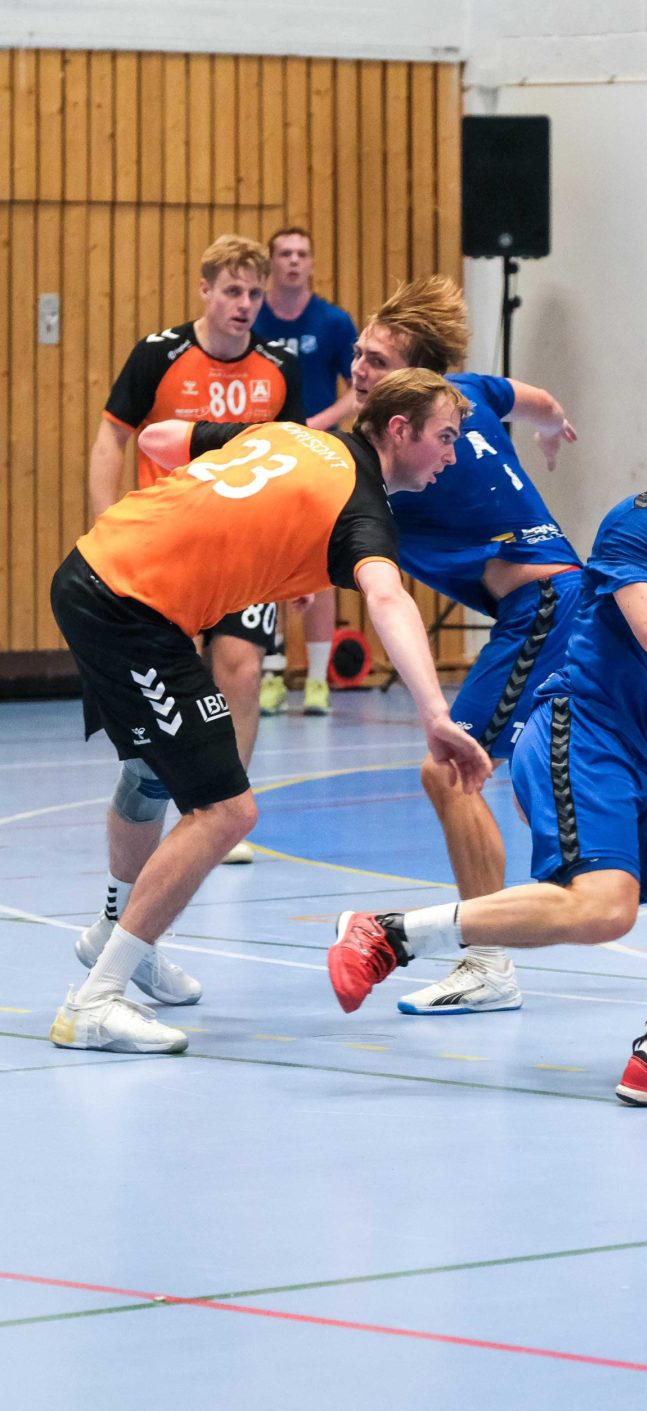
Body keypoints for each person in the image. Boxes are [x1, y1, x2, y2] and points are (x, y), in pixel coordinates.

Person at [327, 374, 647, 1107]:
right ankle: (388, 934)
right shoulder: (638, 526)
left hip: (629, 759)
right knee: (605, 906)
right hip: (576, 731)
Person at [51, 371, 489, 1055]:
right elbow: (387, 598)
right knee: (227, 811)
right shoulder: (362, 508)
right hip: (131, 606)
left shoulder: (291, 436)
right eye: (446, 437)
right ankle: (95, 1002)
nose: (452, 456)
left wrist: (237, 524)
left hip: (98, 565)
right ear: (399, 431)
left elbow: (163, 438)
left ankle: (119, 935)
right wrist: (436, 713)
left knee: (151, 773)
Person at [338, 275, 587, 1016]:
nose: (359, 369)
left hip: (543, 607)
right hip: (561, 601)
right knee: (559, 789)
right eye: (359, 353)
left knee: (449, 772)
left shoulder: (399, 452)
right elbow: (536, 399)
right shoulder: (470, 392)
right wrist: (552, 427)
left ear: (418, 385)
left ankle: (486, 963)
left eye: (378, 362)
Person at [88, 233, 305, 866]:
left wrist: (300, 562)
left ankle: (223, 810)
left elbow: (296, 463)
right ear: (205, 290)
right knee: (179, 675)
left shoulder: (279, 368)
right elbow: (111, 439)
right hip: (169, 545)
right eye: (232, 291)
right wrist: (107, 524)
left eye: (255, 294)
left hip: (246, 546)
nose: (244, 304)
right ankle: (176, 802)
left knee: (241, 667)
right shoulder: (160, 354)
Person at [253, 226, 361, 718]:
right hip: (265, 454)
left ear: (312, 263)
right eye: (285, 253)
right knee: (269, 563)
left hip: (319, 454)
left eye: (302, 253)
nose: (294, 261)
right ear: (271, 263)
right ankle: (272, 674)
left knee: (319, 566)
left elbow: (361, 389)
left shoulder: (333, 322)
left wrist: (318, 422)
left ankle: (317, 680)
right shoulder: (254, 318)